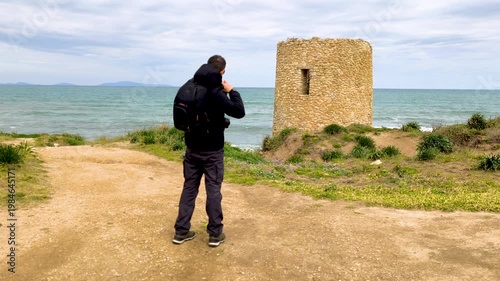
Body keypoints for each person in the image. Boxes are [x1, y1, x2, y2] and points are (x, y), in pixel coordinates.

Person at [173, 55, 245, 247]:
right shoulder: (215, 91)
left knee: (189, 188)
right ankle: (215, 234)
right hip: (212, 150)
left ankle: (181, 231)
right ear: (221, 72)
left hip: (191, 148)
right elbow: (239, 111)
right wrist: (232, 91)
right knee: (213, 190)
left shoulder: (189, 86)